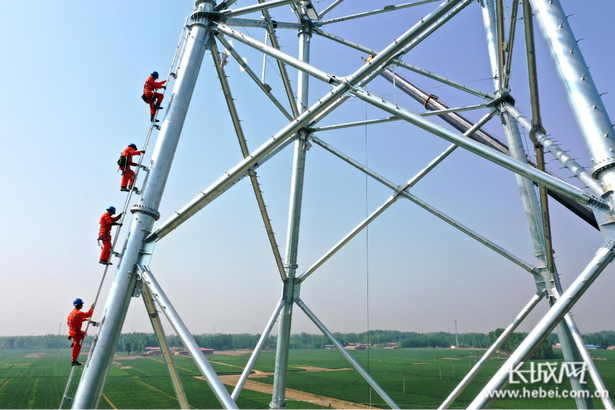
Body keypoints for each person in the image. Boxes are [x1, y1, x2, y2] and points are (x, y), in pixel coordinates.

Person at [67, 298, 95, 366]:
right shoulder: (79, 313)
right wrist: (92, 307)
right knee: (77, 345)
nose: (82, 305)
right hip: (76, 332)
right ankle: (74, 360)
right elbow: (89, 314)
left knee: (84, 333)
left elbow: (75, 320)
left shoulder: (71, 313)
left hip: (71, 331)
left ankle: (74, 342)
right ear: (79, 305)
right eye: (82, 304)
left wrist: (84, 319)